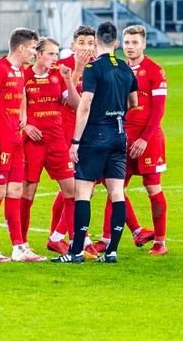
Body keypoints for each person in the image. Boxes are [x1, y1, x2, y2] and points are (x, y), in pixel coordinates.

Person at [51, 21, 139, 264]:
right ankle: (112, 252)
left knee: (82, 193)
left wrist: (76, 141)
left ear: (97, 41)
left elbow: (85, 104)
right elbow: (133, 102)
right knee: (117, 192)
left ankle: (76, 251)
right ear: (117, 43)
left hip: (95, 136)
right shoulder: (125, 68)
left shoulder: (94, 68)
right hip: (119, 135)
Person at [0, 28, 46, 262]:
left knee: (16, 191)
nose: (34, 53)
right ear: (21, 48)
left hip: (15, 138)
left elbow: (21, 95)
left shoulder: (20, 72)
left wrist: (24, 114)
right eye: (32, 48)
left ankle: (18, 248)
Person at [20, 37, 80, 256]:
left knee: (71, 191)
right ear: (38, 54)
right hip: (32, 144)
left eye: (57, 54)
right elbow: (15, 107)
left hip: (57, 142)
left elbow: (74, 104)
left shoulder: (58, 75)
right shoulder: (24, 76)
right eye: (51, 54)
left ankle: (75, 243)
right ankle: (22, 244)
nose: (55, 58)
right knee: (28, 191)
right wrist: (25, 127)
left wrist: (70, 80)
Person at [113, 25, 169, 256]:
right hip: (122, 136)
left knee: (152, 188)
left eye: (135, 42)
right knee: (113, 187)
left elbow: (158, 110)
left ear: (144, 44)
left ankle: (160, 242)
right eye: (126, 42)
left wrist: (145, 139)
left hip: (149, 138)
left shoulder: (155, 71)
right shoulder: (118, 69)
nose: (130, 47)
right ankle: (133, 231)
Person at [49, 25, 96, 250]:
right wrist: (77, 70)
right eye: (81, 43)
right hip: (67, 135)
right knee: (76, 188)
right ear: (72, 45)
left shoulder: (98, 67)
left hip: (91, 133)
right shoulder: (62, 68)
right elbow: (72, 102)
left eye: (90, 43)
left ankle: (57, 236)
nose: (86, 48)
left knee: (84, 187)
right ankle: (79, 238)